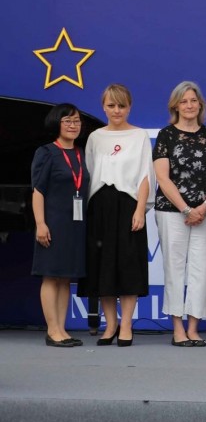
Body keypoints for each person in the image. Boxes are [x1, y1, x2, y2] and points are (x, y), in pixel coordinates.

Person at [153, 81, 206, 347]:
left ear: (201, 104)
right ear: (176, 106)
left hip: (205, 213)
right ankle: (177, 328)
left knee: (201, 269)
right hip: (173, 212)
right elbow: (163, 177)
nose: (190, 105)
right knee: (174, 268)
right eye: (184, 101)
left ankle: (194, 327)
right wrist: (185, 208)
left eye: (194, 100)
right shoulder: (166, 135)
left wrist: (204, 206)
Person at [81, 84, 152, 347]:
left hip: (129, 204)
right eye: (111, 105)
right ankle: (110, 324)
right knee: (103, 267)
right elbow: (88, 174)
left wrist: (140, 209)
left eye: (121, 105)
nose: (116, 110)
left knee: (128, 264)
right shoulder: (95, 137)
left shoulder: (139, 136)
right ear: (103, 107)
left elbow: (146, 174)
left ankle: (126, 324)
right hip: (100, 206)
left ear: (129, 107)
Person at [32, 103, 89, 347]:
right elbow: (38, 191)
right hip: (53, 222)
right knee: (51, 276)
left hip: (75, 224)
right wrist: (40, 223)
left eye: (76, 120)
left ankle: (62, 330)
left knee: (66, 278)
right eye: (67, 121)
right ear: (57, 123)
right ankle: (52, 330)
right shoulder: (46, 152)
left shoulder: (80, 153)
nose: (73, 125)